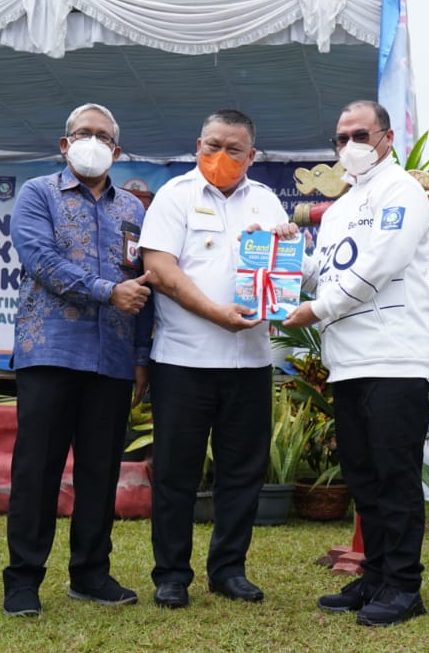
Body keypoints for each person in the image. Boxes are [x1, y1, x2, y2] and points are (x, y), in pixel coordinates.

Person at [283, 100, 429, 627]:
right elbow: (326, 275)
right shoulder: (340, 209)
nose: (350, 145)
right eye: (341, 137)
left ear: (386, 138)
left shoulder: (403, 191)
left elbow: (378, 267)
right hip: (347, 362)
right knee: (364, 478)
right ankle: (375, 577)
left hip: (395, 359)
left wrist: (315, 309)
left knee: (395, 477)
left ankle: (404, 586)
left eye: (360, 135)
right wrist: (290, 257)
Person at [1, 104, 153, 618]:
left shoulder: (134, 210)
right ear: (64, 144)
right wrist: (108, 292)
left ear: (117, 150)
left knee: (100, 470)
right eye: (83, 133)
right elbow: (40, 261)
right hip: (50, 350)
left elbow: (145, 286)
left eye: (102, 136)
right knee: (37, 470)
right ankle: (23, 579)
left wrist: (141, 355)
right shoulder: (38, 193)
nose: (93, 142)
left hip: (113, 357)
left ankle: (90, 573)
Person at [138, 109, 288, 609]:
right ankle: (172, 575)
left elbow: (284, 271)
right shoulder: (175, 195)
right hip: (184, 359)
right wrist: (215, 313)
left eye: (233, 149)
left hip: (250, 361)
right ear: (197, 144)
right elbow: (160, 269)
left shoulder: (266, 200)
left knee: (243, 472)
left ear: (252, 155)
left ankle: (229, 570)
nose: (220, 156)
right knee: (176, 473)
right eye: (212, 145)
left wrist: (288, 267)